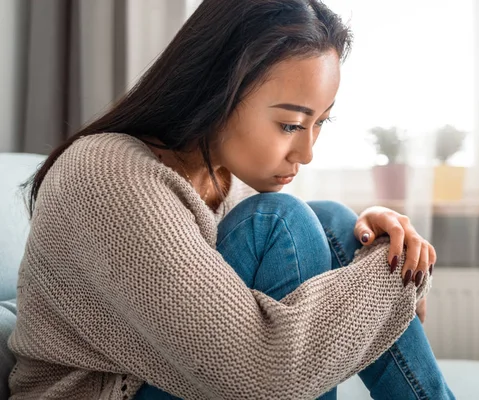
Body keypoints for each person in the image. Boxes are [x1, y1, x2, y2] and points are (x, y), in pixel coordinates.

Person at [9, 0, 455, 399]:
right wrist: (391, 274)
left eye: (320, 122)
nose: (307, 153)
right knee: (287, 219)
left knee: (336, 221)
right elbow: (267, 376)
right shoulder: (108, 175)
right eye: (290, 125)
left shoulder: (228, 177)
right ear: (219, 90)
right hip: (110, 393)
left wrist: (383, 244)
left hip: (183, 379)